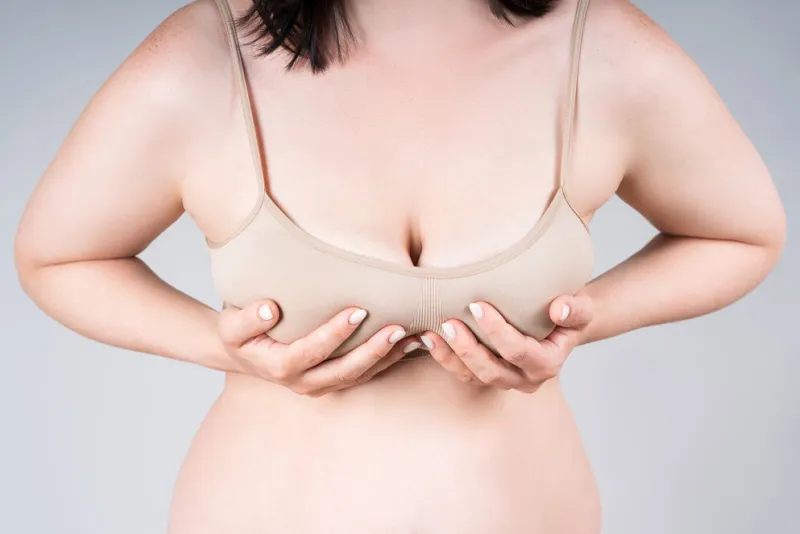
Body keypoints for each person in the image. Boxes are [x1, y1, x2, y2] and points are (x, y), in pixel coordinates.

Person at [13, 0, 786, 532]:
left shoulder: (604, 50)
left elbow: (744, 233)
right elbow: (56, 255)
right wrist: (225, 348)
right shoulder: (205, 57)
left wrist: (587, 320)